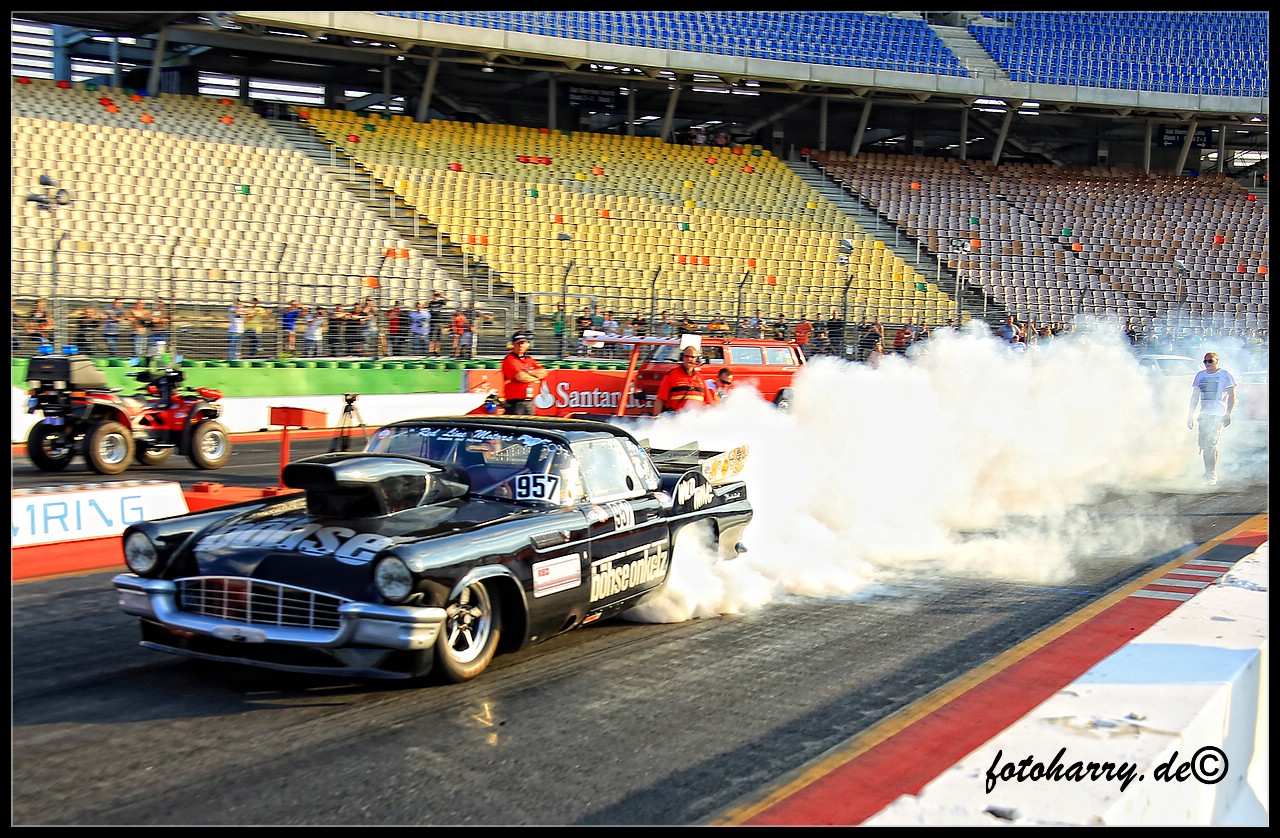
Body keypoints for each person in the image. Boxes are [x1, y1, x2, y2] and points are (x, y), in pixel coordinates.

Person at [1187, 352, 1237, 485]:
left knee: (1210, 444)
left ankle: (1211, 474)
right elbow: (1195, 396)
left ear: (1216, 361)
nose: (1207, 363)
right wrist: (1190, 415)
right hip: (1204, 414)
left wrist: (1228, 414)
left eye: (1210, 361)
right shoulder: (1200, 375)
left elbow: (1232, 396)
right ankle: (1208, 472)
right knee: (1204, 445)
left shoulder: (1225, 375)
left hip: (1218, 414)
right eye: (1205, 361)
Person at [652, 345, 713, 414]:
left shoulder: (700, 378)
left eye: (692, 357)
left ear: (697, 359)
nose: (689, 359)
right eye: (687, 356)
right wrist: (656, 417)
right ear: (682, 357)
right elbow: (660, 399)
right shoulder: (672, 375)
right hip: (675, 418)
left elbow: (708, 403)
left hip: (695, 418)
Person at [501, 332, 548, 415]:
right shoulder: (509, 360)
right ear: (513, 345)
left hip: (529, 401)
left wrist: (528, 372)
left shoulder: (529, 359)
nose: (521, 346)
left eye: (523, 343)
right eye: (518, 344)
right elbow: (521, 377)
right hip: (515, 403)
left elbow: (543, 372)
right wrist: (535, 378)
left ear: (527, 345)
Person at [427, 291, 447, 355]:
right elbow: (424, 305)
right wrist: (431, 298)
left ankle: (437, 350)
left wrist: (441, 295)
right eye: (435, 295)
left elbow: (448, 299)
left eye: (436, 295)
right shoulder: (431, 302)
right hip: (433, 321)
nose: (436, 296)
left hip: (439, 321)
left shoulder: (440, 302)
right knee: (432, 337)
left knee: (438, 337)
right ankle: (431, 351)